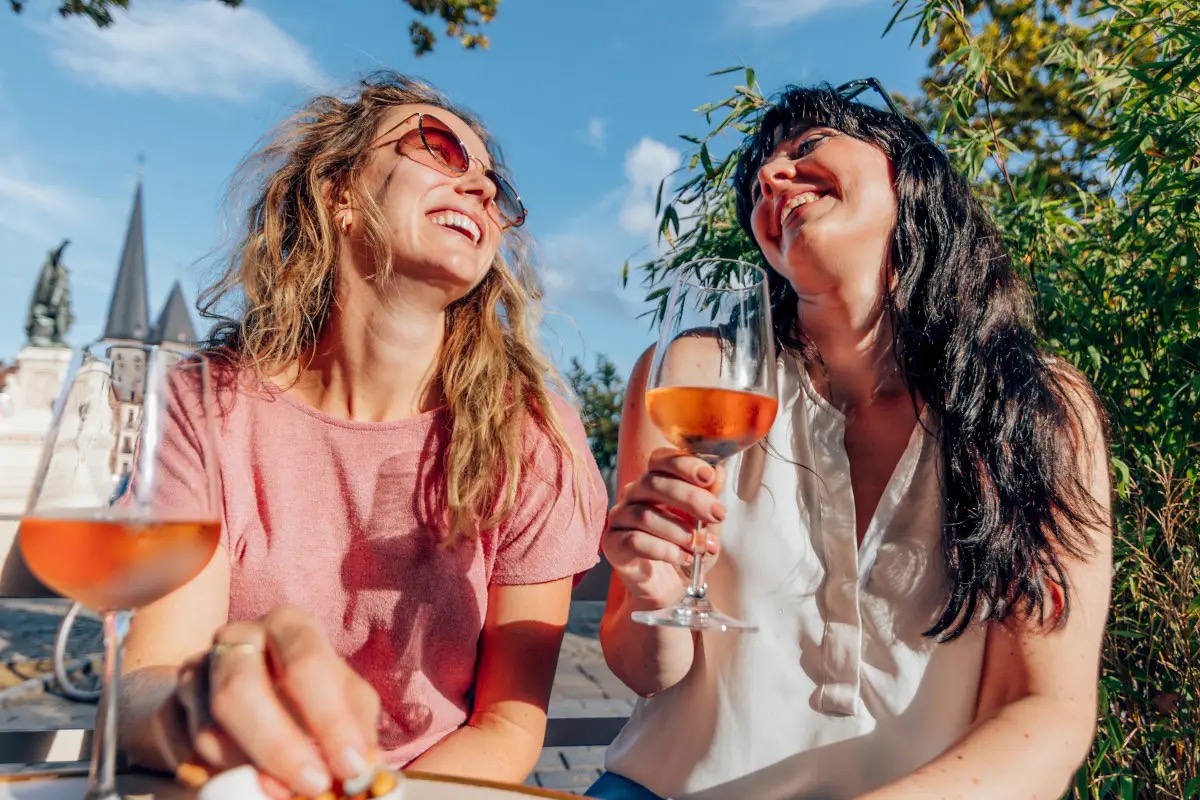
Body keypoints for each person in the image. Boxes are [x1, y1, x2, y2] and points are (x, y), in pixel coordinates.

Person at [590, 82, 1113, 800]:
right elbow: (644, 670)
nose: (773, 176)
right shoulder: (699, 373)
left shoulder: (1035, 407)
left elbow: (1046, 711)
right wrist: (654, 591)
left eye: (808, 146)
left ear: (908, 176)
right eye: (760, 183)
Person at [117, 71, 608, 799]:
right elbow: (146, 683)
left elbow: (507, 723)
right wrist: (195, 710)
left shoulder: (533, 433)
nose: (481, 187)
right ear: (339, 193)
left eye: (496, 187)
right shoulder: (207, 404)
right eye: (439, 148)